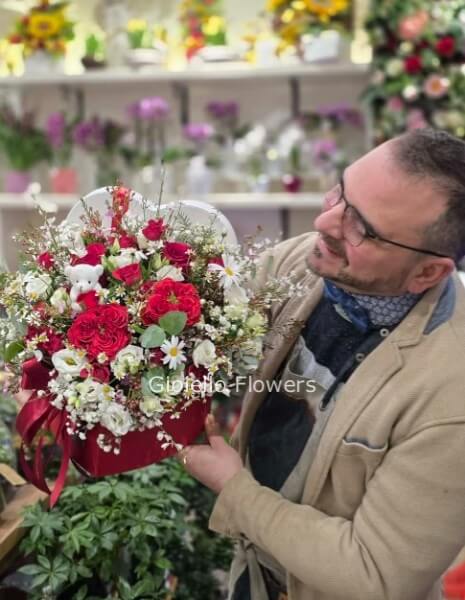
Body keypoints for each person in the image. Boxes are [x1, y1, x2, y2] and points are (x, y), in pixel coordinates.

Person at [179, 127, 465, 600]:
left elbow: (375, 576)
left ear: (428, 272)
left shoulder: (450, 396)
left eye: (363, 229)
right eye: (341, 192)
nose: (325, 221)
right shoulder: (307, 263)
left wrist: (234, 489)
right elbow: (207, 326)